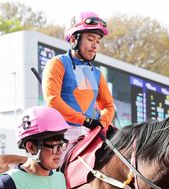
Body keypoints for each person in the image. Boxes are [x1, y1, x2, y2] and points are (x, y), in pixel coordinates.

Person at [42, 11, 115, 143]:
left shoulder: (96, 73)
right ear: (74, 39)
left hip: (90, 134)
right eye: (90, 39)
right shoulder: (57, 63)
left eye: (98, 41)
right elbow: (53, 101)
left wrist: (102, 122)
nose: (95, 46)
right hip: (61, 134)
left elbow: (108, 105)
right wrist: (85, 120)